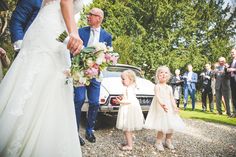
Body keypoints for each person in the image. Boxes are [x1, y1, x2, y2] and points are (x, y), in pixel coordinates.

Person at [0, 0, 84, 156]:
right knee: (46, 77)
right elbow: (65, 2)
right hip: (52, 30)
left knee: (51, 80)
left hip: (53, 29)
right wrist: (74, 32)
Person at [74, 7, 112, 145]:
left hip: (96, 74)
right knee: (78, 100)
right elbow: (74, 50)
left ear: (99, 18)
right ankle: (75, 132)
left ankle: (90, 130)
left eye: (91, 14)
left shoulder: (107, 36)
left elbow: (108, 55)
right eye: (88, 14)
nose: (88, 16)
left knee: (95, 102)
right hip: (80, 72)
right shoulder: (80, 31)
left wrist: (100, 66)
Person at [145, 66, 185, 151]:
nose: (163, 74)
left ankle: (168, 140)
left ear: (169, 76)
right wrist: (162, 104)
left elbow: (172, 98)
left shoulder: (169, 87)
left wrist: (175, 107)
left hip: (169, 108)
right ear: (157, 75)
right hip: (161, 108)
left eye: (166, 73)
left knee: (171, 125)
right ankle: (158, 142)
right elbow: (158, 96)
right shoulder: (157, 86)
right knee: (162, 126)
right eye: (161, 73)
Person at [115, 70, 144, 151]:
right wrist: (122, 98)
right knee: (126, 128)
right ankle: (128, 142)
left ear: (130, 79)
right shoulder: (128, 87)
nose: (122, 81)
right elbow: (127, 98)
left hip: (129, 110)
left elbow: (130, 100)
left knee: (127, 129)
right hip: (127, 108)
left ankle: (130, 146)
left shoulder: (129, 89)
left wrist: (120, 102)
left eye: (123, 79)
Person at [227, 48, 236, 117]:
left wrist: (233, 69)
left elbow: (233, 69)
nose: (232, 54)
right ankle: (234, 112)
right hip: (232, 80)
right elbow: (228, 71)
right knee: (233, 96)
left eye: (233, 52)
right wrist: (227, 68)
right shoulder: (231, 61)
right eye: (231, 53)